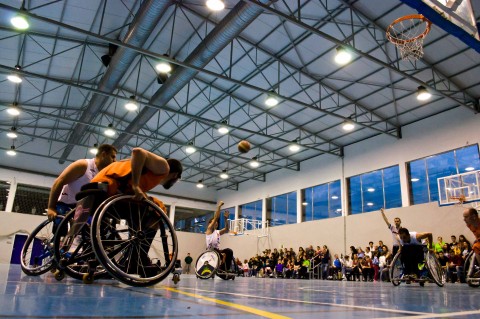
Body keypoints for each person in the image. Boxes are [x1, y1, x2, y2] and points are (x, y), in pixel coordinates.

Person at [47, 144, 117, 222]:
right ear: (104, 154)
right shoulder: (83, 165)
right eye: (113, 157)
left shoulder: (104, 174)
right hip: (66, 205)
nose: (115, 161)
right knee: (63, 231)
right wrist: (51, 208)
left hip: (84, 208)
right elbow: (58, 182)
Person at [205, 201, 234, 273]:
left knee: (229, 251)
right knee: (220, 253)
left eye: (217, 222)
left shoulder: (217, 232)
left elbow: (227, 229)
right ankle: (222, 262)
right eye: (214, 222)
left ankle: (225, 269)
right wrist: (219, 206)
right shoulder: (209, 229)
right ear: (210, 223)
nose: (216, 223)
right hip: (211, 250)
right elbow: (216, 217)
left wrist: (225, 219)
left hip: (217, 251)